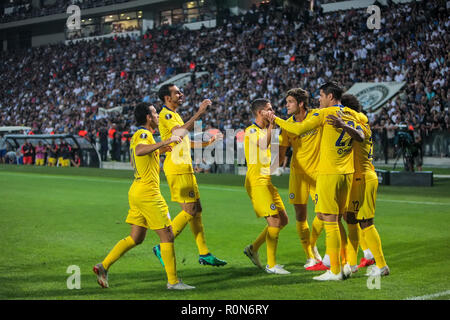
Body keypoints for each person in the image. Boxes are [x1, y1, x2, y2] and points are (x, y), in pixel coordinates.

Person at [263, 81, 363, 281]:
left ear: (330, 97)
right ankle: (345, 263)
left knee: (329, 219)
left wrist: (275, 119)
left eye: (321, 96)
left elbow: (300, 130)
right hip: (346, 173)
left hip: (326, 173)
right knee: (336, 219)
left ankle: (334, 269)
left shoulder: (323, 114)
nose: (319, 100)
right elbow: (360, 136)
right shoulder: (353, 114)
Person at [93, 103, 194, 290]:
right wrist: (164, 142)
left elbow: (136, 158)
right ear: (149, 117)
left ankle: (103, 266)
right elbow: (139, 151)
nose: (158, 116)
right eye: (155, 113)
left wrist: (162, 149)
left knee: (136, 238)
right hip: (148, 193)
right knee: (168, 235)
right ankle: (173, 282)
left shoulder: (143, 136)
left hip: (137, 191)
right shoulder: (144, 134)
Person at [153, 83, 227, 267]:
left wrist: (206, 142)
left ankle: (204, 254)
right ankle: (161, 246)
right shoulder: (166, 115)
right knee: (190, 210)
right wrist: (200, 112)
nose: (181, 94)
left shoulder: (175, 115)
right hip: (177, 168)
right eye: (177, 92)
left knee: (197, 210)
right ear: (167, 98)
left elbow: (184, 139)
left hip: (185, 168)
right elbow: (180, 132)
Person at [328, 93, 389, 277]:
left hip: (364, 177)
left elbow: (360, 137)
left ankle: (381, 265)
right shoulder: (360, 122)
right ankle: (352, 264)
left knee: (366, 222)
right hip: (358, 179)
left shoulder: (359, 125)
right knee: (351, 220)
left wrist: (342, 124)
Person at [243, 98, 290, 275]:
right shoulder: (251, 130)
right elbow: (264, 144)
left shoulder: (264, 130)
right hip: (257, 182)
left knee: (283, 220)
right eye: (269, 109)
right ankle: (272, 265)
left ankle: (253, 249)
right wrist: (272, 126)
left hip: (266, 181)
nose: (273, 112)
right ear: (260, 112)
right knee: (274, 222)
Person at [277, 88, 323, 268]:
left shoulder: (316, 116)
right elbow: (282, 151)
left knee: (322, 214)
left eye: (290, 102)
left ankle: (312, 245)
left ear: (301, 103)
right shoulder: (287, 124)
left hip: (318, 173)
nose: (286, 105)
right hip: (298, 174)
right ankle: (310, 256)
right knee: (300, 216)